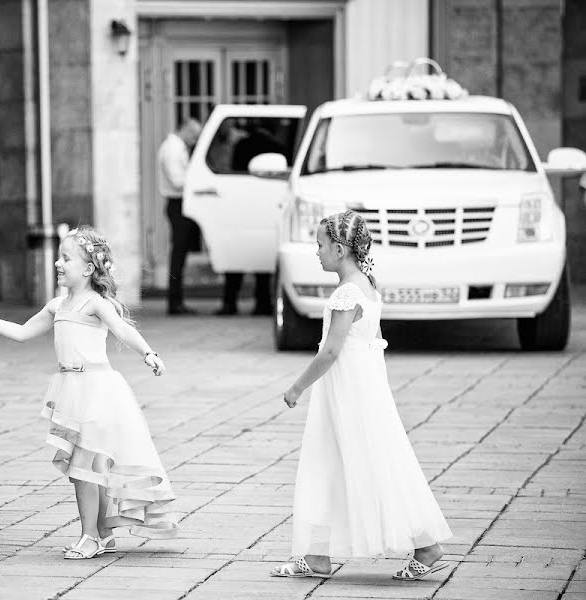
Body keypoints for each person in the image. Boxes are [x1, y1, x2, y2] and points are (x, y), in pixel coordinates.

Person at [271, 210, 452, 581]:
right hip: (360, 388)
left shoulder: (347, 293)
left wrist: (296, 387)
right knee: (348, 462)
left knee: (360, 463)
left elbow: (332, 351)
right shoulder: (367, 284)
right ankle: (319, 555)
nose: (315, 252)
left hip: (347, 392)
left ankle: (426, 543)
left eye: (319, 245)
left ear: (339, 249)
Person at [0, 226, 179, 559]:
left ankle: (89, 535)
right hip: (71, 389)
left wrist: (148, 353)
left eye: (66, 258)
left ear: (89, 269)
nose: (59, 264)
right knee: (92, 467)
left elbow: (122, 330)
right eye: (59, 257)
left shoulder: (95, 303)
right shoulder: (57, 306)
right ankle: (102, 534)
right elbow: (21, 333)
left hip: (98, 390)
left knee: (83, 468)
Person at [216, 119, 291, 316]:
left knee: (235, 255)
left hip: (241, 204)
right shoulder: (278, 147)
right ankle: (262, 303)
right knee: (262, 257)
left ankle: (229, 302)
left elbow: (232, 171)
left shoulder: (242, 145)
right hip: (266, 206)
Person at [157, 119, 203, 315]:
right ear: (184, 129)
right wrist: (200, 181)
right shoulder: (173, 150)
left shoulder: (177, 147)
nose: (194, 140)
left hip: (180, 203)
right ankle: (174, 302)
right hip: (177, 204)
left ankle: (177, 300)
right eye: (193, 135)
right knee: (178, 255)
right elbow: (177, 181)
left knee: (180, 255)